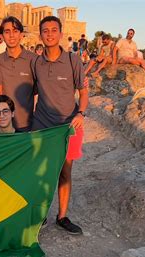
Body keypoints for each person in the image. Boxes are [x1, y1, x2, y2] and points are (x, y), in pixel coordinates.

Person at [32, 16, 88, 235]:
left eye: (54, 30)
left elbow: (83, 92)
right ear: (40, 35)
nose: (49, 34)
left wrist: (82, 112)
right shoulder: (36, 62)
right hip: (43, 125)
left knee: (65, 172)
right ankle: (41, 216)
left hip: (68, 125)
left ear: (61, 34)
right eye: (45, 30)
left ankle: (62, 216)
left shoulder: (73, 60)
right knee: (43, 172)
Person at [0, 16, 38, 132]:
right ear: (2, 35)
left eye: (15, 31)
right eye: (7, 31)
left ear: (21, 34)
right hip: (3, 125)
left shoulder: (34, 60)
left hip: (26, 125)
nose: (11, 35)